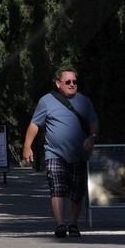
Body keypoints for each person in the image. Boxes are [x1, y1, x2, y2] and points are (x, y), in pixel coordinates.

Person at [24, 66, 100, 238]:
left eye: (74, 81)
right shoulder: (46, 101)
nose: (72, 84)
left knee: (76, 192)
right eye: (68, 82)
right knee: (57, 188)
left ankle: (73, 223)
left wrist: (92, 137)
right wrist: (27, 146)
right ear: (58, 83)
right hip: (54, 153)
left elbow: (94, 122)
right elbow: (35, 124)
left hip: (78, 153)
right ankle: (60, 224)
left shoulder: (84, 101)